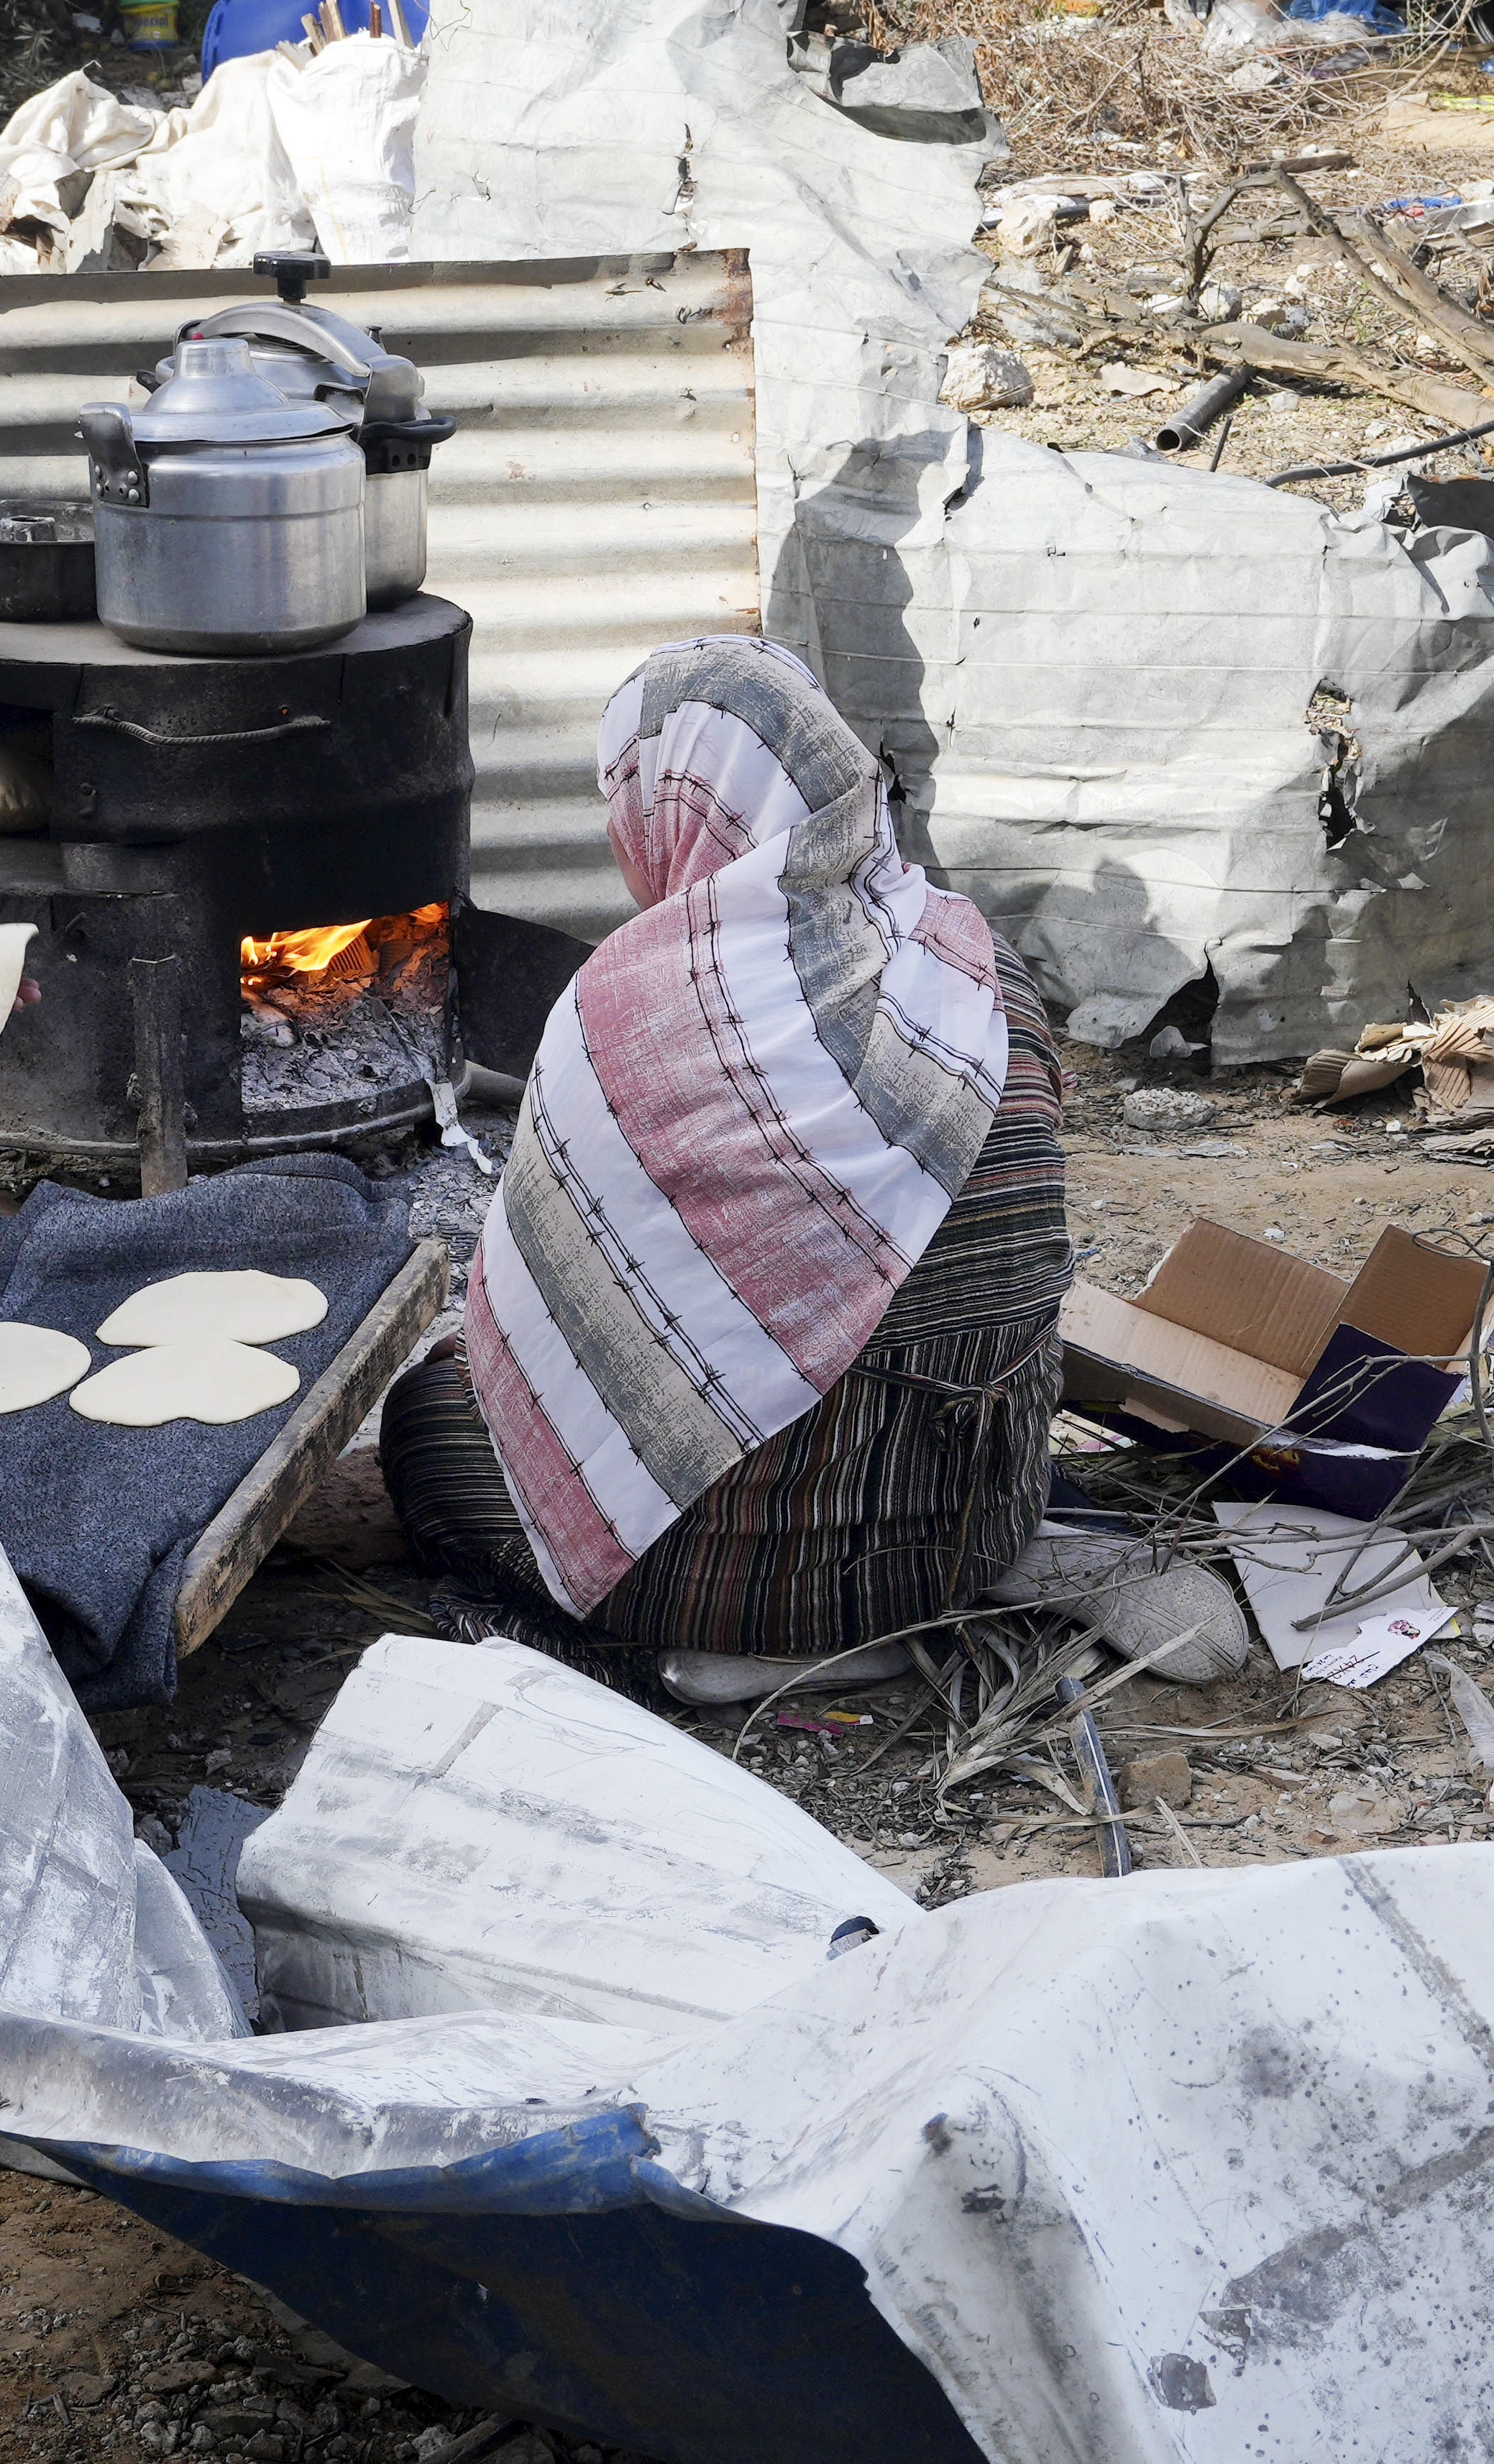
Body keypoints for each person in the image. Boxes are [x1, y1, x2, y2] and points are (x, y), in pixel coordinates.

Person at [380, 639, 1074, 1694]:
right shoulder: (978, 964)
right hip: (972, 1535)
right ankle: (871, 1627)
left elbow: (558, 1300)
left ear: (665, 811)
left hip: (704, 1585)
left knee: (430, 1416)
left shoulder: (632, 1007)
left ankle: (729, 1648)